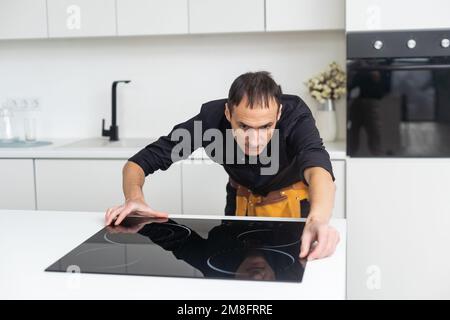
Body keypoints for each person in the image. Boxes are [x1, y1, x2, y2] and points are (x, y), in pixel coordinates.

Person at [105, 71, 340, 261]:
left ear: (278, 114)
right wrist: (133, 198)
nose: (254, 139)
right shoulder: (210, 120)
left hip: (293, 204)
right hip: (240, 200)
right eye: (244, 126)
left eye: (265, 127)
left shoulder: (295, 115)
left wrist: (319, 219)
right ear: (228, 112)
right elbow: (139, 162)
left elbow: (317, 166)